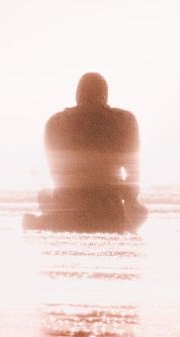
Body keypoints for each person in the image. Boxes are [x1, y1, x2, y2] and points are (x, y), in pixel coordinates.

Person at [36, 72, 147, 232]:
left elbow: (56, 172)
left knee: (43, 197)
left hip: (69, 202)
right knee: (141, 213)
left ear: (77, 94)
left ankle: (54, 221)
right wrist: (130, 200)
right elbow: (132, 173)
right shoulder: (124, 120)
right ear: (105, 95)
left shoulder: (56, 122)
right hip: (108, 204)